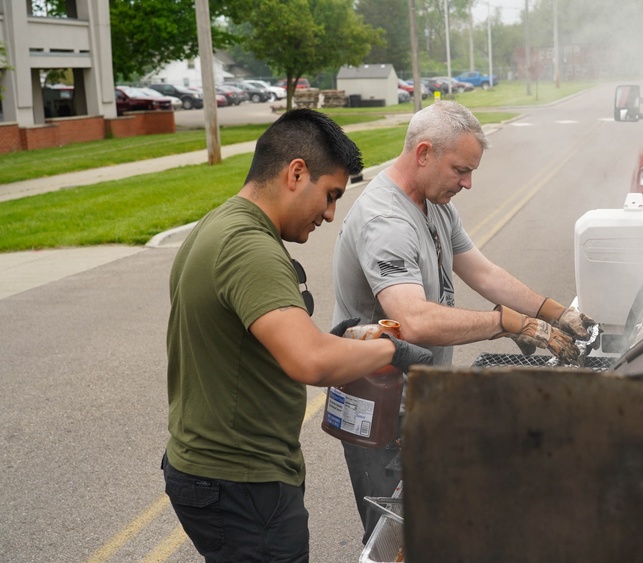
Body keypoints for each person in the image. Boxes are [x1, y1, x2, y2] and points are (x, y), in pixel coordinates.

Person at [161, 108, 433, 562]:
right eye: (329, 196)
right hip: (242, 483)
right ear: (296, 172)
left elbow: (266, 342)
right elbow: (310, 361)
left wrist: (345, 342)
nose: (329, 215)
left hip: (212, 472)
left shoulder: (219, 224)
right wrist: (395, 349)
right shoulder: (249, 247)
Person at [331, 100, 599, 543]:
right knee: (394, 539)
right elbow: (413, 321)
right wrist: (509, 324)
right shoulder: (386, 220)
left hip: (417, 399)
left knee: (433, 522)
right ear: (423, 153)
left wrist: (552, 311)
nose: (468, 183)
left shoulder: (434, 204)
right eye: (460, 169)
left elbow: (483, 272)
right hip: (379, 411)